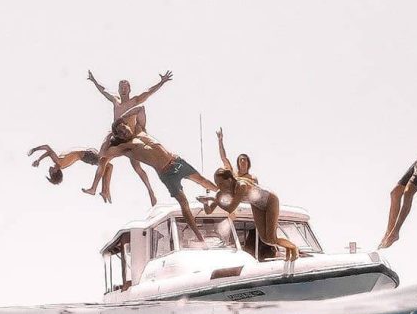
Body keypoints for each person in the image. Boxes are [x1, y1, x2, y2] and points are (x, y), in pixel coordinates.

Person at [83, 118, 216, 239]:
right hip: (166, 174)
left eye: (124, 128)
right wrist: (110, 135)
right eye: (120, 133)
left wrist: (123, 117)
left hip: (176, 162)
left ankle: (223, 193)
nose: (124, 132)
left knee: (203, 181)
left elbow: (140, 109)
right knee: (184, 203)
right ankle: (199, 237)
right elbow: (102, 154)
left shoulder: (141, 131)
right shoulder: (125, 148)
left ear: (128, 125)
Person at [85, 69, 174, 204]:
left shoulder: (135, 101)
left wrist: (161, 82)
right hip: (117, 138)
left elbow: (149, 92)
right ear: (119, 90)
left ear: (130, 89)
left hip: (130, 139)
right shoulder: (116, 101)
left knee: (137, 167)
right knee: (103, 159)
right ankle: (95, 188)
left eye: (126, 87)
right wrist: (94, 81)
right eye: (121, 88)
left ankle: (151, 193)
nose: (123, 90)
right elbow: (103, 91)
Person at [198, 169, 299, 260]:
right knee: (265, 239)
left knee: (271, 237)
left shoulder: (241, 185)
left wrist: (215, 200)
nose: (219, 186)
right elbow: (209, 211)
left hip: (270, 200)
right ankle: (288, 248)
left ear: (229, 180)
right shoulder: (221, 193)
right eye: (217, 184)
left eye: (220, 183)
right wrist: (205, 203)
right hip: (256, 204)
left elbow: (231, 208)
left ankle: (293, 247)